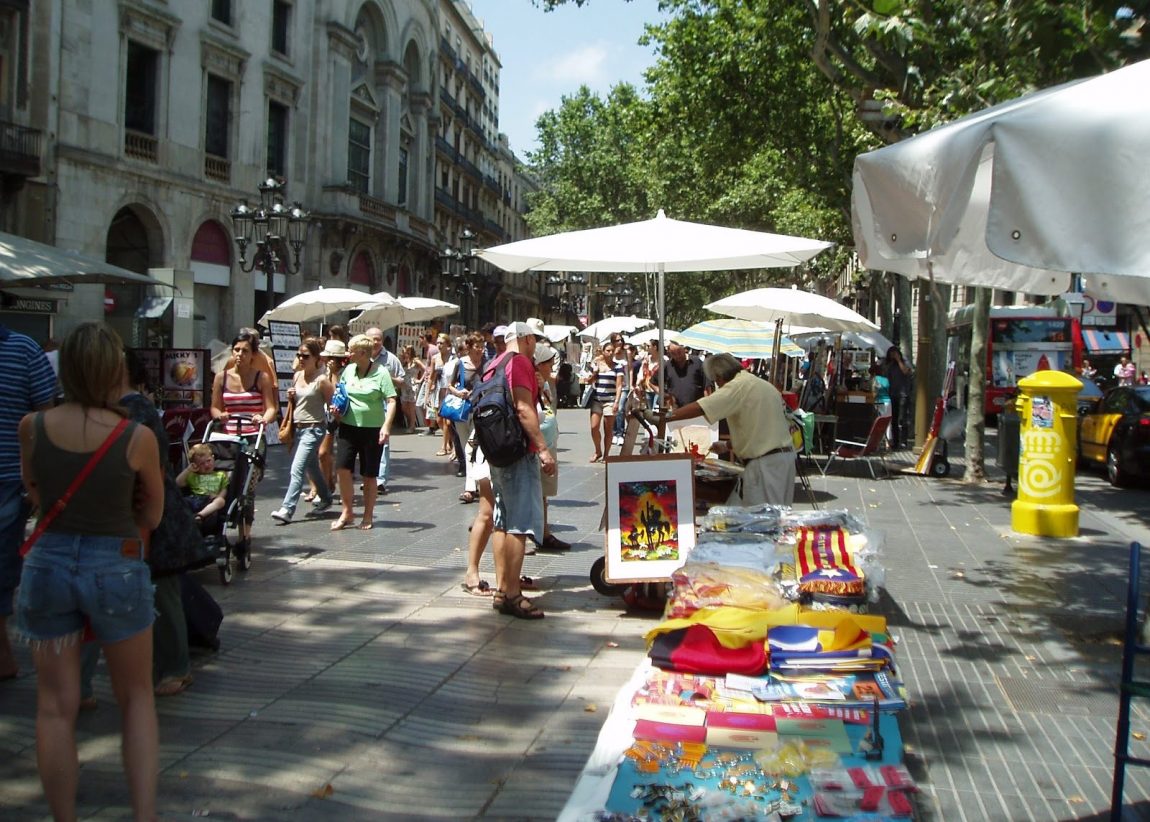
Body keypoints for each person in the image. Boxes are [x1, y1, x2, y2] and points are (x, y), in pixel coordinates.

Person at [16, 321, 164, 821]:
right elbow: (154, 515)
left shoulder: (32, 428)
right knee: (136, 697)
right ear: (113, 369)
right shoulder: (135, 436)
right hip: (115, 565)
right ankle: (144, 814)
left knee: (55, 706)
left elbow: (35, 494)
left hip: (47, 565)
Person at [0, 324, 58, 682]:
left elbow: (45, 417)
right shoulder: (26, 348)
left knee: (4, 565)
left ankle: (3, 652)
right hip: (13, 477)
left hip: (9, 477)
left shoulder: (23, 349)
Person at [486, 323, 555, 619]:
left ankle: (502, 589)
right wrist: (542, 448)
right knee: (519, 523)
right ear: (526, 339)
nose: (534, 346)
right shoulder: (521, 363)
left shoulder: (494, 362)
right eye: (534, 341)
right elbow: (525, 409)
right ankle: (513, 593)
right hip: (518, 451)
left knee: (501, 522)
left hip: (496, 450)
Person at [665, 353, 796, 506]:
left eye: (716, 382)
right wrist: (727, 445)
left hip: (766, 465)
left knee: (763, 520)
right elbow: (758, 429)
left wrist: (667, 417)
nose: (718, 386)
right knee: (740, 513)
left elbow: (701, 407)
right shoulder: (759, 384)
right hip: (782, 459)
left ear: (719, 376)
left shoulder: (738, 385)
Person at [330, 334, 396, 530]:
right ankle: (347, 511)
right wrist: (336, 408)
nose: (348, 354)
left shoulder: (381, 372)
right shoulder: (349, 370)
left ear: (362, 353)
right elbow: (341, 392)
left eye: (351, 350)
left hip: (372, 429)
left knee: (369, 474)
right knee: (342, 468)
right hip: (348, 426)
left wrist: (386, 426)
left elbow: (391, 400)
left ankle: (368, 515)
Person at [271, 337, 334, 523]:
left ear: (316, 358)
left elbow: (332, 405)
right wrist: (291, 396)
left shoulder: (322, 380)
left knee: (296, 469)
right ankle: (326, 497)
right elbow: (298, 402)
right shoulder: (297, 376)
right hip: (298, 428)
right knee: (312, 466)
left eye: (305, 355)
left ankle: (287, 509)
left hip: (314, 429)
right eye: (298, 355)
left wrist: (333, 428)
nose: (301, 358)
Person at [534, 342, 570, 552]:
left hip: (547, 442)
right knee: (537, 493)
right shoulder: (534, 383)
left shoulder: (545, 383)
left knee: (544, 494)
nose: (551, 368)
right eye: (549, 363)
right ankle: (539, 534)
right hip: (538, 447)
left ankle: (544, 533)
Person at [366, 327, 406, 494]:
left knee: (383, 442)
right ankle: (368, 478)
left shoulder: (391, 359)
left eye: (378, 339)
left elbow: (402, 381)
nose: (375, 342)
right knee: (366, 443)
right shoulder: (360, 356)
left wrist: (387, 377)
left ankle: (380, 481)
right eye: (372, 339)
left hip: (384, 405)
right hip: (364, 405)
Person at [317, 338, 350, 495]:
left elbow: (338, 393)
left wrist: (334, 374)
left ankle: (332, 482)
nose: (327, 361)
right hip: (325, 415)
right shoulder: (323, 371)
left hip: (340, 417)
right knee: (323, 452)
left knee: (332, 452)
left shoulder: (346, 372)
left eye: (331, 358)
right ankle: (327, 483)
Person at [584, 341, 623, 463]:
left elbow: (619, 386)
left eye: (612, 351)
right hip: (597, 399)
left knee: (608, 429)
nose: (610, 353)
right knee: (594, 427)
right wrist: (595, 372)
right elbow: (588, 381)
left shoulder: (618, 367)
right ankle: (598, 451)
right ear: (603, 351)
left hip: (610, 401)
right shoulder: (597, 364)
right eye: (608, 351)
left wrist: (617, 401)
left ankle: (606, 454)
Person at [176, 443, 228, 523]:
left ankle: (199, 516)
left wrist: (218, 496)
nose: (206, 465)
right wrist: (188, 470)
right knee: (179, 501)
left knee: (220, 501)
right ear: (195, 465)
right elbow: (177, 483)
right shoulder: (193, 475)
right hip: (195, 498)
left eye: (208, 461)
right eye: (201, 464)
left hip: (210, 499)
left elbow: (224, 489)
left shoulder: (220, 474)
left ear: (213, 458)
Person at [656, 340, 707, 410]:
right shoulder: (667, 365)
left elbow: (707, 385)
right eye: (674, 353)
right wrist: (664, 395)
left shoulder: (697, 362)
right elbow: (652, 382)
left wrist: (706, 406)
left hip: (696, 408)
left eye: (679, 352)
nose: (677, 356)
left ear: (684, 349)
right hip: (676, 410)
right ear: (670, 353)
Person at [880, 346, 913, 449]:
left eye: (895, 353)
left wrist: (899, 360)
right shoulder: (889, 365)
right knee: (894, 419)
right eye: (891, 354)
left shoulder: (904, 362)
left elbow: (906, 371)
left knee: (902, 419)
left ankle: (903, 441)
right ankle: (895, 441)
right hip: (892, 394)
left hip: (903, 394)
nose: (893, 356)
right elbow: (884, 373)